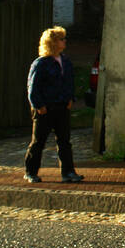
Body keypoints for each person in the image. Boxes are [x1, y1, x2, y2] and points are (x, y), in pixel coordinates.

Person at [24, 26, 85, 183]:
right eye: (61, 39)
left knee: (64, 141)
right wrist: (38, 105)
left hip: (62, 106)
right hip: (45, 108)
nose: (64, 42)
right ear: (52, 42)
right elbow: (33, 86)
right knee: (38, 141)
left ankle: (68, 172)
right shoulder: (41, 64)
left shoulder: (65, 61)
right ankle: (30, 171)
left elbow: (70, 82)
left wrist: (70, 98)